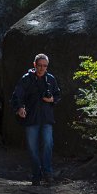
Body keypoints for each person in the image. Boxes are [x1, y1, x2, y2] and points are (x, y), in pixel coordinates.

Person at [11, 53, 61, 186]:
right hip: (31, 119)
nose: (42, 68)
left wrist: (52, 99)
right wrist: (20, 108)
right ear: (34, 65)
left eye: (45, 66)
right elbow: (17, 96)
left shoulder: (50, 79)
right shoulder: (26, 79)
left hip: (46, 118)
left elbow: (57, 95)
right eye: (39, 65)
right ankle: (36, 175)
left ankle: (47, 173)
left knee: (47, 144)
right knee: (33, 148)